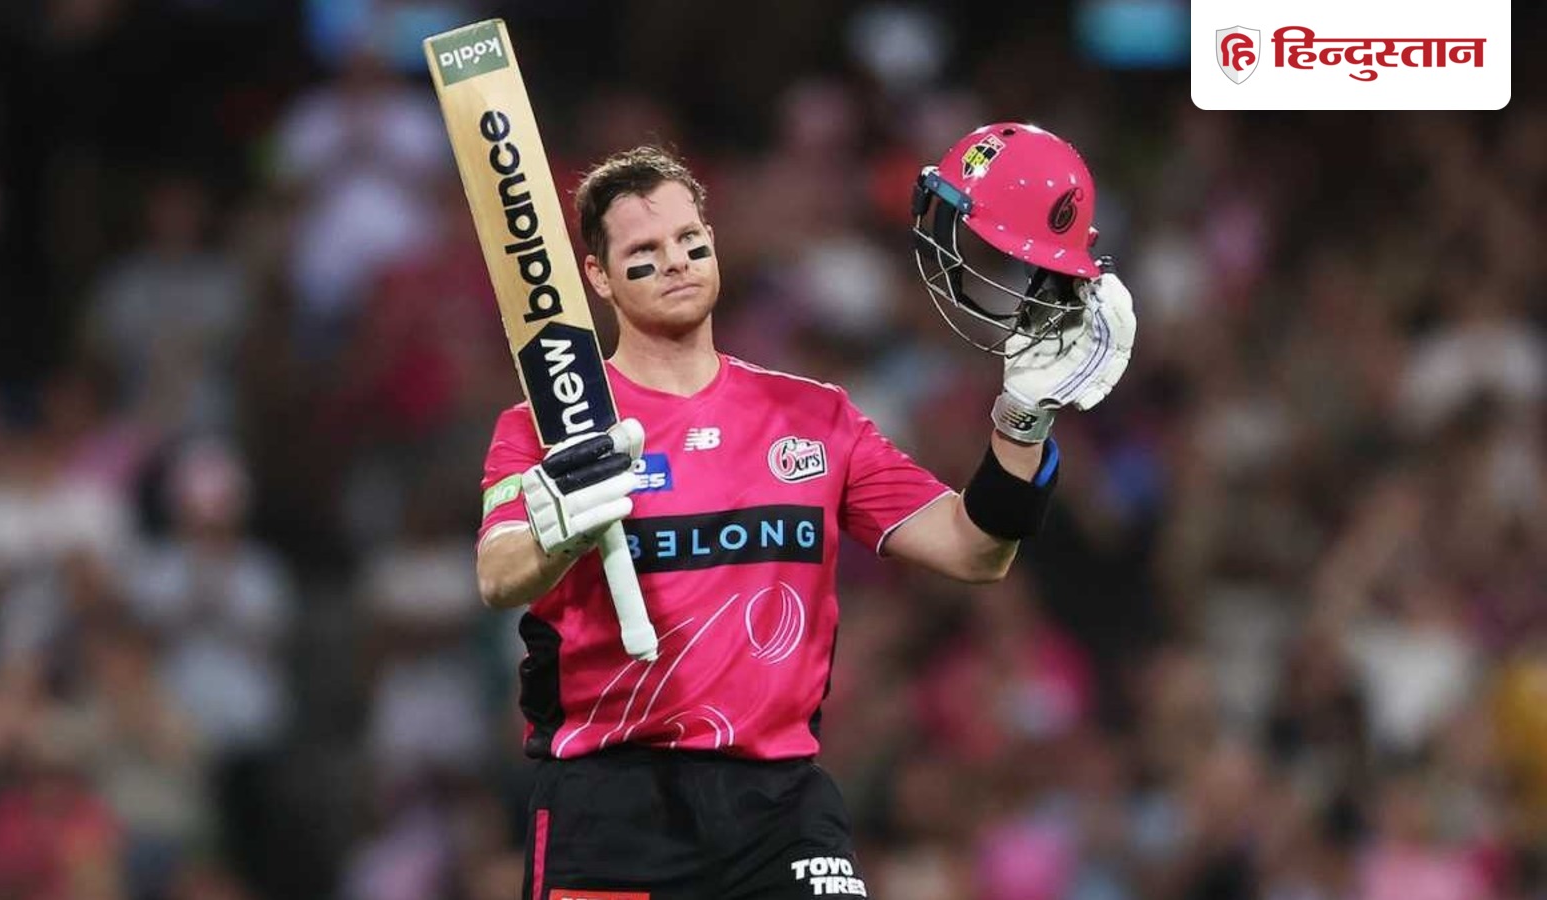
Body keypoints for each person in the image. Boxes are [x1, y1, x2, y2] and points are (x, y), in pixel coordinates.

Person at [476, 123, 1136, 900]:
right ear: (598, 275)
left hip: (779, 805)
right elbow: (498, 574)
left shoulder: (816, 417)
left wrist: (1022, 422)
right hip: (613, 802)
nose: (676, 261)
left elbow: (974, 549)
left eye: (689, 239)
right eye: (643, 251)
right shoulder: (548, 429)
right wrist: (556, 534)